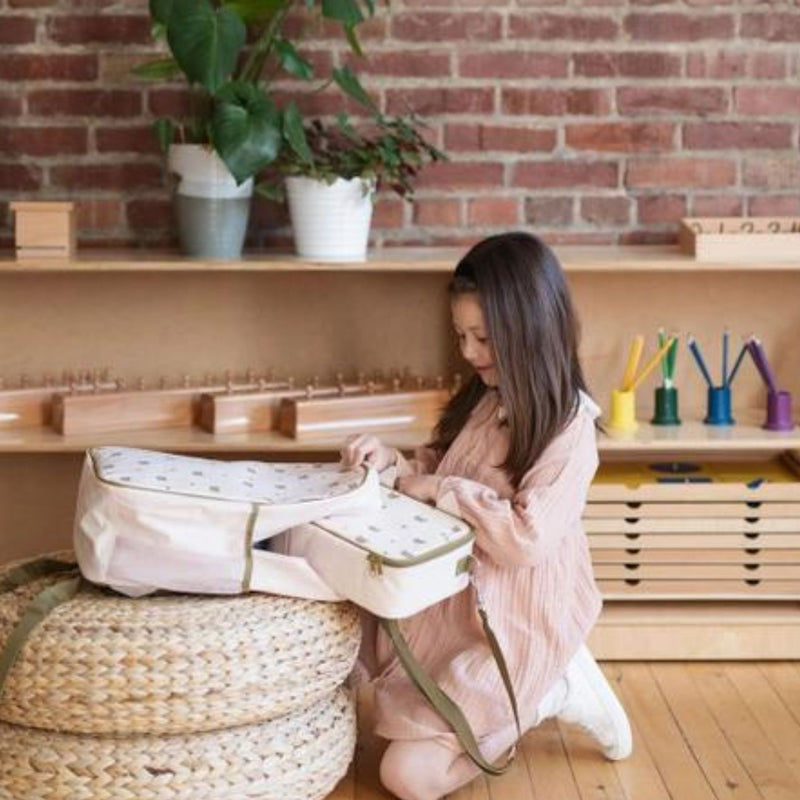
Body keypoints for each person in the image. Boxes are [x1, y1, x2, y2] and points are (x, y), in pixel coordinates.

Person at [340, 232, 632, 800]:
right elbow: (445, 468)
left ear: (529, 333)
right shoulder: (485, 396)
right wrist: (396, 463)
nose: (470, 352)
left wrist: (439, 488)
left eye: (484, 337)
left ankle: (554, 689)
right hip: (453, 607)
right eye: (461, 335)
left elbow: (526, 538)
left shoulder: (569, 431)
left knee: (407, 776)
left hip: (512, 620)